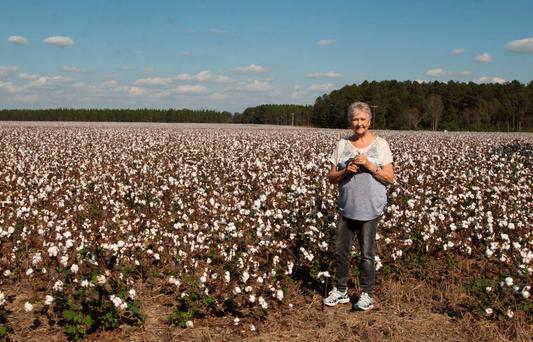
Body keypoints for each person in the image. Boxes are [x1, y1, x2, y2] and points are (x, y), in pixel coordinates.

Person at [322, 102, 394, 311]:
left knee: (367, 254)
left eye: (363, 119)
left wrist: (371, 166)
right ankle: (341, 290)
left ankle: (366, 294)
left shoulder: (381, 144)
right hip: (346, 207)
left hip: (370, 208)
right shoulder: (342, 145)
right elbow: (331, 177)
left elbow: (389, 178)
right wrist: (347, 171)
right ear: (350, 122)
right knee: (341, 251)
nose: (359, 123)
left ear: (369, 121)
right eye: (355, 119)